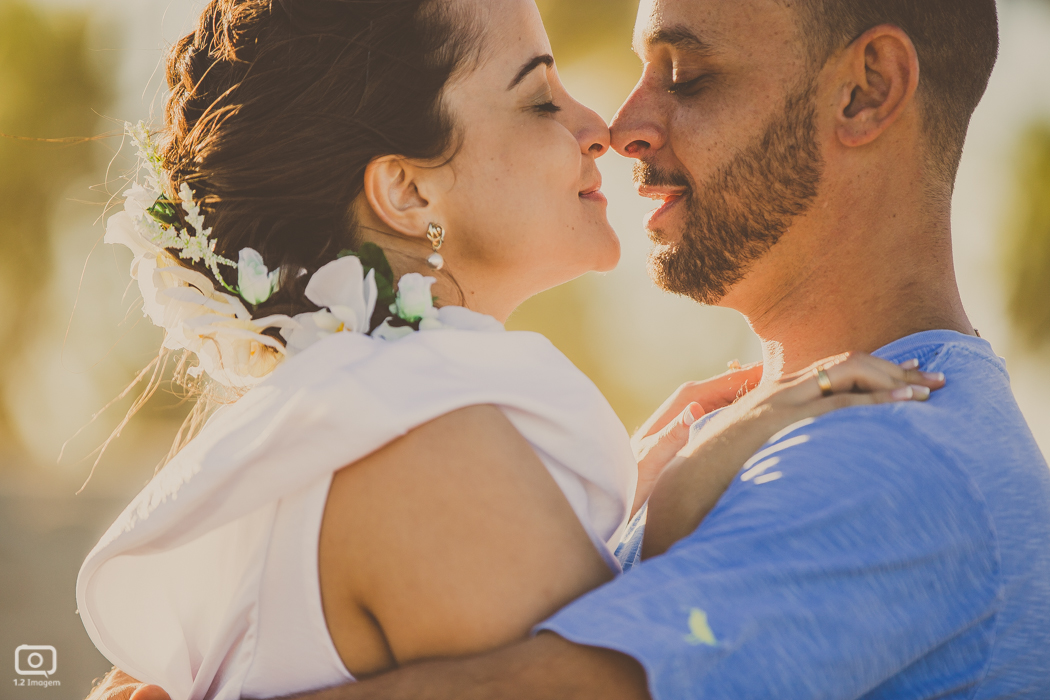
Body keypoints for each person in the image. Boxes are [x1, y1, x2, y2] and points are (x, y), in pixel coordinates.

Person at [96, 0, 1050, 696]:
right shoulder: (437, 441)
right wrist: (650, 509)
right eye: (541, 97)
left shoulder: (897, 446)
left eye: (688, 77)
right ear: (406, 191)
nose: (619, 126)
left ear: (867, 90)